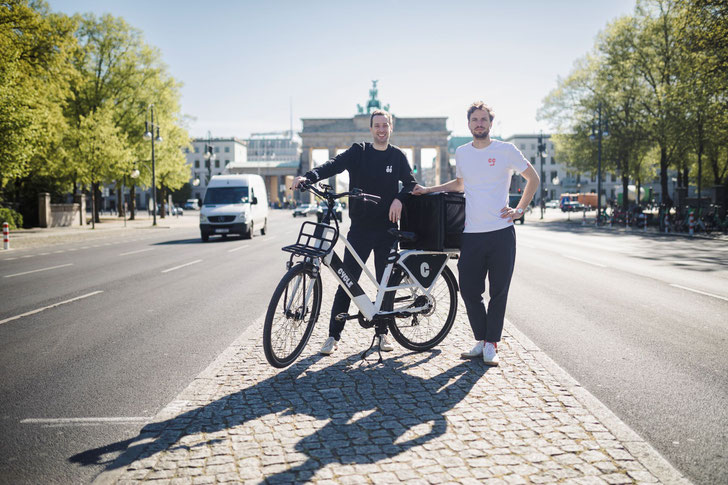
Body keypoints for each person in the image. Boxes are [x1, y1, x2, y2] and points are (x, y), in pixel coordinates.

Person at [413, 101, 539, 366]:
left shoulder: (506, 150)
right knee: (469, 290)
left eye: (483, 119)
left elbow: (533, 178)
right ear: (469, 124)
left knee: (498, 291)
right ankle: (481, 338)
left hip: (502, 232)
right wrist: (428, 190)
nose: (479, 124)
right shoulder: (462, 152)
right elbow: (460, 184)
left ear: (490, 123)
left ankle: (491, 342)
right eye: (474, 120)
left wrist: (520, 209)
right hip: (471, 234)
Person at [292, 109, 417, 355]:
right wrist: (309, 177)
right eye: (377, 126)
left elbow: (411, 182)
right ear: (370, 129)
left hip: (388, 229)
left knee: (385, 284)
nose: (381, 130)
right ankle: (333, 336)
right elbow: (333, 165)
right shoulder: (358, 152)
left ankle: (383, 333)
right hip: (360, 228)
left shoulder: (397, 156)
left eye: (385, 126)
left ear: (391, 128)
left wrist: (399, 199)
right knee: (347, 281)